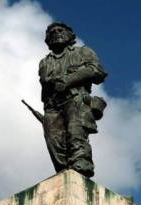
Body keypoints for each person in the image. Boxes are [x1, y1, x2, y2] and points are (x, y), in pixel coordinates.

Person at [38, 22, 107, 178]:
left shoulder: (83, 52)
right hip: (52, 106)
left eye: (60, 30)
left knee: (76, 136)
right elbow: (45, 80)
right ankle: (64, 172)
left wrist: (69, 80)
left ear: (70, 35)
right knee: (53, 142)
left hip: (75, 100)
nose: (56, 33)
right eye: (52, 32)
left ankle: (81, 168)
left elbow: (97, 71)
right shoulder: (45, 61)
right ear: (48, 40)